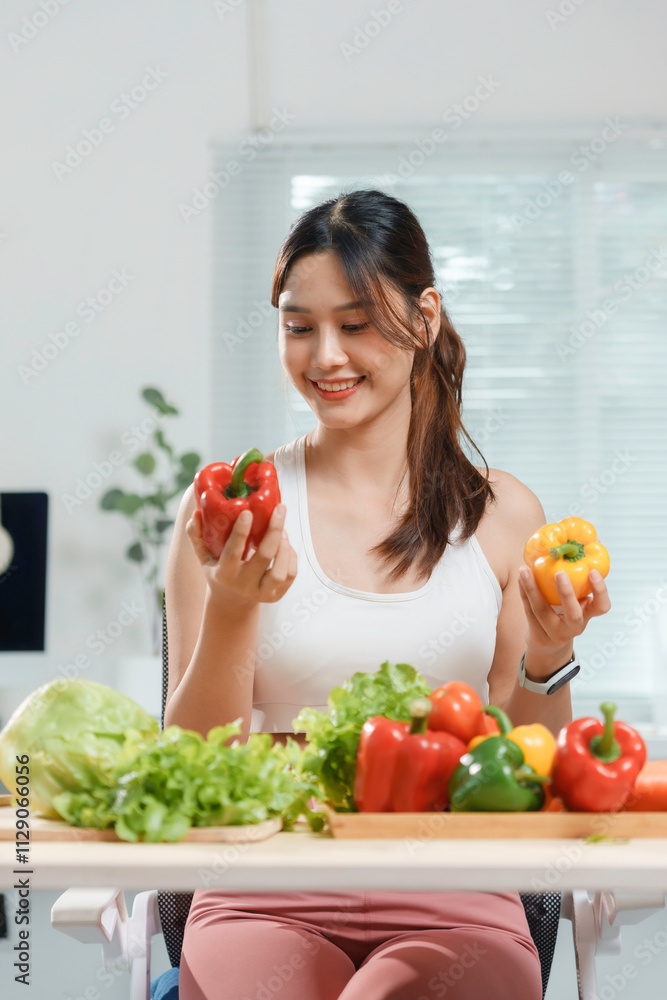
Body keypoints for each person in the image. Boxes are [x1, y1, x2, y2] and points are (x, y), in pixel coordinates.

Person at [164, 188, 611, 1000]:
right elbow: (194, 766)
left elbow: (535, 770)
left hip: (456, 887)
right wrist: (232, 602)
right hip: (266, 878)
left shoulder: (503, 515)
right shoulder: (230, 512)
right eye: (299, 327)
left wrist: (550, 651)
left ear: (425, 316)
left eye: (357, 323)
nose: (325, 356)